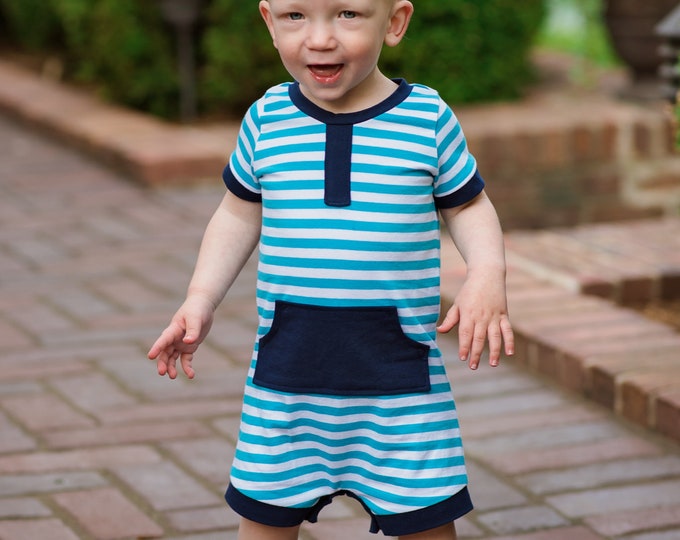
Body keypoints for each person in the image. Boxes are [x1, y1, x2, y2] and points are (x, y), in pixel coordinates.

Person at [148, 0, 514, 538]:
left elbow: (468, 206)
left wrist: (486, 272)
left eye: (347, 14)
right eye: (296, 17)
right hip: (287, 379)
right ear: (269, 23)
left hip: (398, 382)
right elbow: (237, 214)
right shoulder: (267, 119)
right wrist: (200, 298)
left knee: (426, 521)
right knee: (265, 519)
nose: (320, 39)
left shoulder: (426, 119)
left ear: (394, 22)